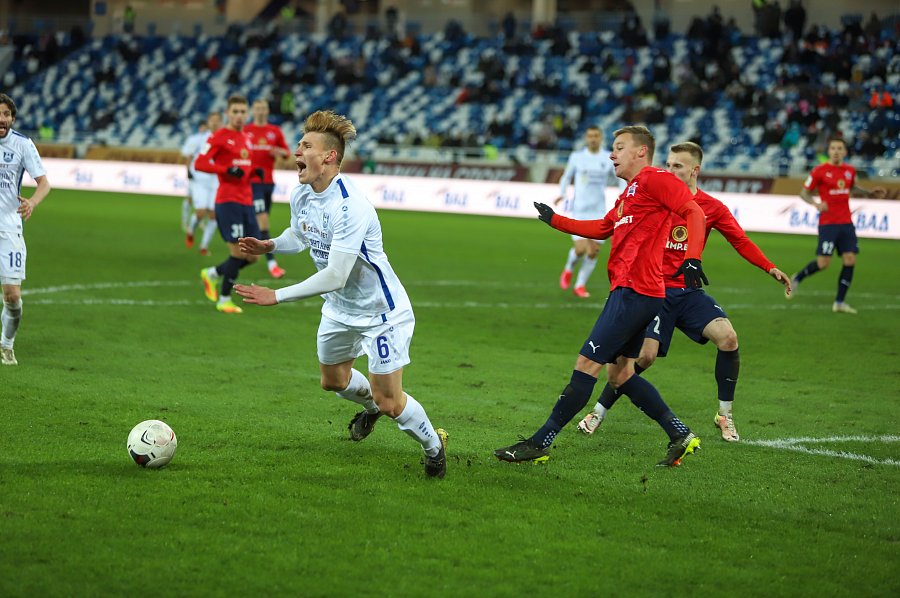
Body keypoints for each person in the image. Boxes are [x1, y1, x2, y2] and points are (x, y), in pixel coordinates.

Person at [233, 110, 447, 478]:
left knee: (391, 401)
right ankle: (372, 409)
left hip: (381, 313)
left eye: (305, 146)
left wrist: (278, 295)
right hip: (338, 310)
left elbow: (336, 274)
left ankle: (434, 447)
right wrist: (269, 245)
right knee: (332, 381)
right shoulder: (302, 193)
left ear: (329, 156)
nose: (296, 151)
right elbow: (300, 235)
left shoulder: (351, 205)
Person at [494, 125, 708, 467]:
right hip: (636, 292)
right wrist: (556, 221)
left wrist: (692, 258)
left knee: (586, 365)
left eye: (619, 147)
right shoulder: (629, 195)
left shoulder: (656, 179)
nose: (612, 154)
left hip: (635, 292)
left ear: (641, 152)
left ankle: (540, 441)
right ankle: (679, 433)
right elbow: (603, 228)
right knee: (620, 375)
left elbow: (693, 211)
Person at [577, 142, 792, 442]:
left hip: (688, 292)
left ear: (695, 170)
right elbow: (613, 225)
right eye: (668, 163)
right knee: (645, 357)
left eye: (678, 165)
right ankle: (598, 410)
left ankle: (724, 415)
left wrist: (770, 267)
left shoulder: (712, 207)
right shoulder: (655, 195)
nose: (671, 169)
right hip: (654, 291)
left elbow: (740, 241)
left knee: (728, 338)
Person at [787, 136, 884, 314]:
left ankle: (839, 302)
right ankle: (798, 278)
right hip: (828, 224)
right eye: (833, 148)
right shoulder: (819, 171)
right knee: (823, 263)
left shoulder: (849, 170)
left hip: (846, 223)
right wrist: (815, 204)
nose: (837, 151)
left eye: (840, 148)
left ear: (845, 152)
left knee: (850, 259)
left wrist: (869, 193)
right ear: (829, 151)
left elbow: (851, 187)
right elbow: (803, 193)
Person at [195, 95, 259, 314]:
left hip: (247, 201)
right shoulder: (219, 136)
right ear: (227, 114)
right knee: (238, 254)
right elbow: (200, 162)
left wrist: (253, 172)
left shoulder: (247, 137)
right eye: (236, 112)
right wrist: (225, 170)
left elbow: (243, 166)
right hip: (228, 201)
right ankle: (224, 299)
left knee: (253, 256)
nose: (240, 116)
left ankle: (212, 273)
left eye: (243, 111)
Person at [0, 93, 51, 365]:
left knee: (13, 297)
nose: (1, 119)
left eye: (6, 114)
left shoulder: (22, 144)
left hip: (8, 228)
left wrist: (32, 201)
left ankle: (6, 344)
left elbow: (44, 183)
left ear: (12, 118)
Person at [554, 126, 619, 298]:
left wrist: (624, 196)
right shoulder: (577, 157)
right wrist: (561, 193)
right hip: (580, 211)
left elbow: (620, 177)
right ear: (586, 138)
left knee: (593, 251)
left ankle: (580, 285)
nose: (593, 139)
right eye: (590, 136)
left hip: (599, 211)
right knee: (581, 249)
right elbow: (566, 176)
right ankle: (568, 269)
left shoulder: (608, 157)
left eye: (596, 136)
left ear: (601, 138)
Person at [243, 99, 291, 278]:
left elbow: (287, 154)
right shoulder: (246, 131)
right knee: (263, 221)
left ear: (268, 110)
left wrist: (279, 152)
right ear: (253, 111)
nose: (261, 111)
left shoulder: (274, 131)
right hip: (251, 182)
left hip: (268, 183)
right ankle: (272, 263)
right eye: (257, 108)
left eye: (263, 108)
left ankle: (248, 245)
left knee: (259, 222)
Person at [180, 111, 222, 256]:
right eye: (212, 120)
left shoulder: (225, 138)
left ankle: (204, 246)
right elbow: (190, 155)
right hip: (200, 179)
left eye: (218, 120)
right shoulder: (199, 139)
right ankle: (191, 231)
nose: (215, 123)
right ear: (208, 123)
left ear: (221, 123)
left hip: (216, 180)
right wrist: (188, 171)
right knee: (200, 212)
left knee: (213, 215)